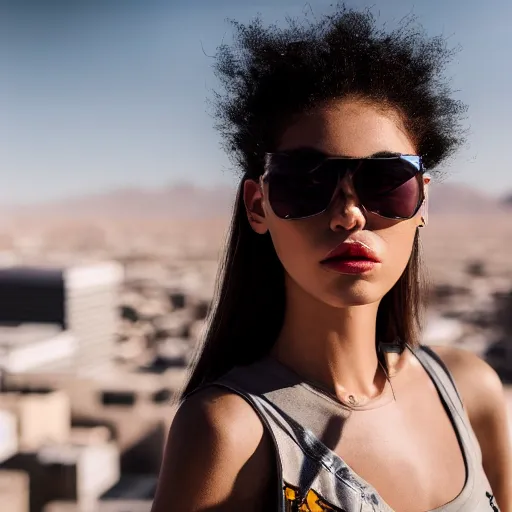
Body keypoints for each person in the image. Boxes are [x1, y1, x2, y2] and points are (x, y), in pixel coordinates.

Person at [152, 5, 511, 511]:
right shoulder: (228, 434)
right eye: (306, 183)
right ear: (259, 206)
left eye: (386, 184)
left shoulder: (470, 390)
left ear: (423, 201)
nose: (349, 216)